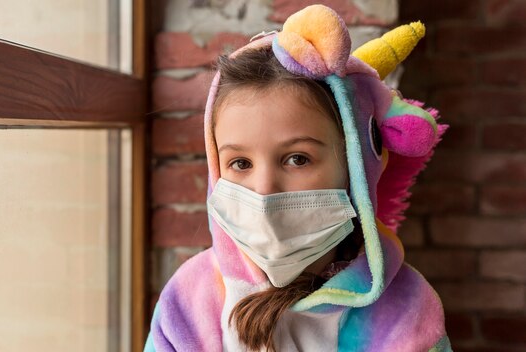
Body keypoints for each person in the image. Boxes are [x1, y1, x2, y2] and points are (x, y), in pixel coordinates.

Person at [145, 4, 451, 352]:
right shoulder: (190, 301)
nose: (263, 190)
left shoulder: (406, 314)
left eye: (297, 158)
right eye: (240, 163)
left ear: (355, 168)